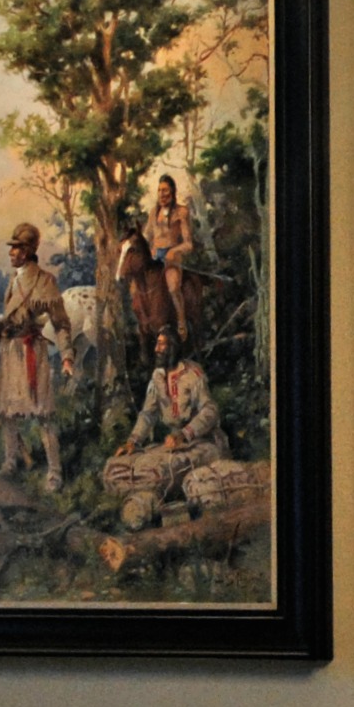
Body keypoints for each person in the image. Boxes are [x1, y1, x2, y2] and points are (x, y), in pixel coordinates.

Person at [101, 328, 226, 527]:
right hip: (174, 444)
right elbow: (148, 414)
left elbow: (210, 411)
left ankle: (170, 509)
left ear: (173, 348)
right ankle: (138, 505)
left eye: (162, 345)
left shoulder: (193, 374)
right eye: (157, 344)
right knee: (129, 465)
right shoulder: (157, 377)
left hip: (203, 442)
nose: (157, 349)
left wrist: (185, 434)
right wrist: (133, 441)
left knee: (164, 470)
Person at [0, 222, 70, 491]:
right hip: (11, 353)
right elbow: (7, 324)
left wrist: (67, 355)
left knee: (43, 414)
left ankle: (54, 472)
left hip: (32, 353)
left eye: (17, 247)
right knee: (8, 414)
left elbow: (61, 323)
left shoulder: (45, 281)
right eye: (11, 247)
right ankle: (11, 462)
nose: (11, 252)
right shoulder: (13, 280)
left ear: (30, 250)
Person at [146, 175, 198, 319]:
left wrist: (173, 251)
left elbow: (188, 244)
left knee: (174, 287)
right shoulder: (153, 213)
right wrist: (150, 249)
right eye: (159, 191)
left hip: (172, 260)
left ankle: (181, 321)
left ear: (172, 191)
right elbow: (147, 237)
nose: (162, 194)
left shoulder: (182, 212)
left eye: (165, 190)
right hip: (154, 259)